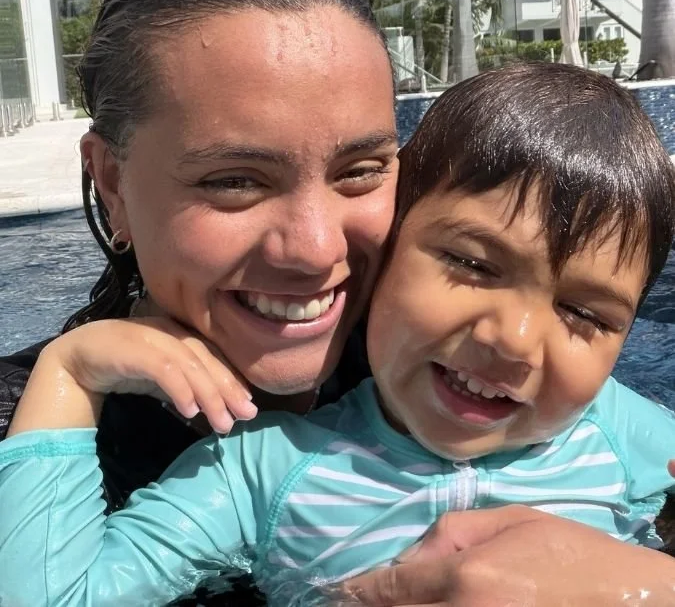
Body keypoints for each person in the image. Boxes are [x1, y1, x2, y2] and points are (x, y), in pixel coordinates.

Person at [1, 63, 674, 607]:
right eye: (471, 264)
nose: (517, 340)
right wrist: (70, 375)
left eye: (585, 315)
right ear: (384, 246)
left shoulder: (627, 436)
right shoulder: (262, 473)